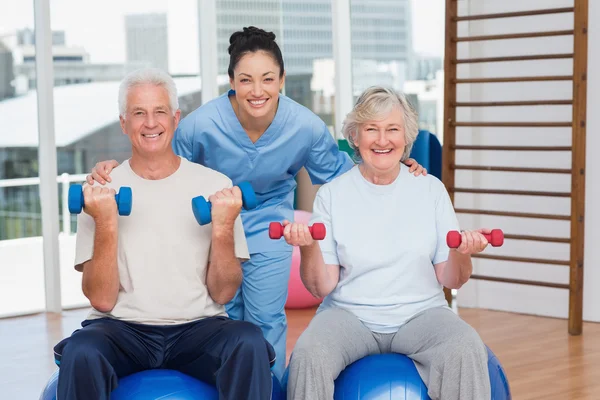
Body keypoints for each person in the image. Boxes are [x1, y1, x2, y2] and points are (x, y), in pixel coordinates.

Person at [85, 26, 426, 379]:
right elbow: (159, 160)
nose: (257, 90)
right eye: (246, 80)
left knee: (266, 319)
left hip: (269, 227)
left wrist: (396, 167)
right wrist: (110, 169)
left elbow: (342, 175)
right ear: (231, 80)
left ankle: (269, 389)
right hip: (210, 226)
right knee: (221, 315)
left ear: (282, 80)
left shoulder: (304, 126)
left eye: (267, 79)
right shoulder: (202, 124)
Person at [53, 68, 274, 400]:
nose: (150, 123)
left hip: (199, 328)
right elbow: (101, 299)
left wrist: (224, 226)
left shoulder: (215, 186)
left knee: (248, 341)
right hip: (121, 330)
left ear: (175, 118)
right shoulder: (100, 192)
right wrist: (107, 222)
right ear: (124, 123)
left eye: (159, 112)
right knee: (82, 350)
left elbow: (224, 293)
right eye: (139, 113)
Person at [283, 86, 491, 400]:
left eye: (392, 129)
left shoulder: (430, 190)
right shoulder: (332, 194)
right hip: (348, 316)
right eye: (372, 130)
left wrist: (460, 253)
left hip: (421, 314)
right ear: (355, 136)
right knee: (309, 354)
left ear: (406, 137)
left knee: (465, 347)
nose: (382, 140)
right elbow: (321, 287)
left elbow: (450, 278)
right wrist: (308, 246)